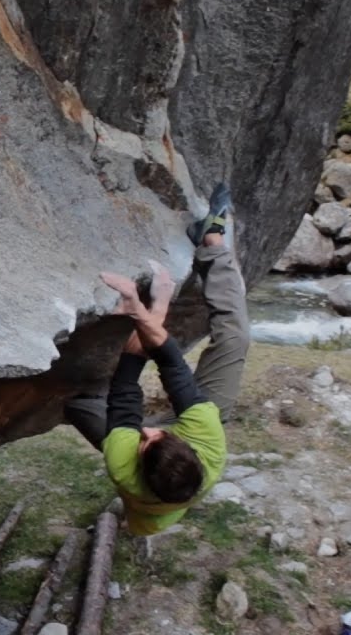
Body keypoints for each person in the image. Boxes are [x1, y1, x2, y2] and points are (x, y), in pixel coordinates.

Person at [66, 184, 248, 535]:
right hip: (195, 423)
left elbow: (127, 380)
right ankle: (212, 244)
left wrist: (143, 312)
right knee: (236, 339)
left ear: (140, 466)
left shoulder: (122, 465)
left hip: (147, 494)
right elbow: (172, 367)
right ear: (187, 448)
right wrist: (155, 306)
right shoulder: (209, 443)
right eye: (157, 436)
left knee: (82, 406)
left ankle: (139, 522)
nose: (149, 430)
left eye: (145, 440)